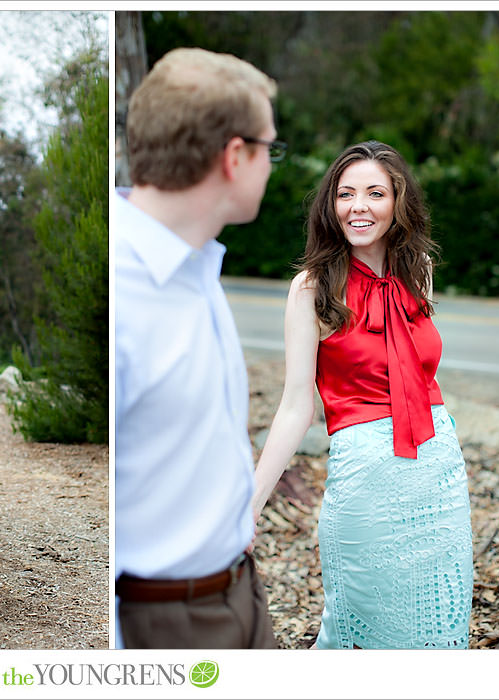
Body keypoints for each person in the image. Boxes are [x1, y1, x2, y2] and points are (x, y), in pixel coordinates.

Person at [252, 140, 473, 649]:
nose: (359, 207)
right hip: (365, 476)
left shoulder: (420, 273)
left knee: (439, 628)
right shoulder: (312, 288)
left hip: (438, 474)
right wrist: (252, 502)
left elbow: (420, 375)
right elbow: (294, 406)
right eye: (346, 194)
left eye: (375, 193)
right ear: (330, 204)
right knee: (362, 628)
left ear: (398, 203)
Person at [115, 47, 283, 649]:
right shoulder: (125, 293)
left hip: (241, 594)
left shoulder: (196, 263)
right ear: (236, 156)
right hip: (165, 627)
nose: (272, 164)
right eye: (271, 148)